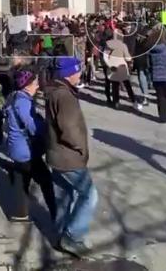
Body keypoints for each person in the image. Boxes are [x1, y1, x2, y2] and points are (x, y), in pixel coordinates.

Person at [45, 57, 97, 259]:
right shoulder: (65, 96)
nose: (79, 74)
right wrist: (80, 147)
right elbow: (69, 129)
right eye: (77, 71)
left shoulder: (54, 92)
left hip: (56, 155)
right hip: (68, 157)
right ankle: (73, 235)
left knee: (63, 195)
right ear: (68, 74)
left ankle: (59, 235)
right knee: (89, 195)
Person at [5, 70, 56, 222]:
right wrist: (47, 126)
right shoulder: (23, 102)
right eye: (35, 83)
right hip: (25, 150)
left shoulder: (14, 96)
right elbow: (33, 127)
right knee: (45, 179)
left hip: (16, 146)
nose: (38, 85)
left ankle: (19, 213)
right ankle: (55, 213)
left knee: (23, 181)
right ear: (27, 86)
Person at [102, 27, 139, 110]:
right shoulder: (123, 45)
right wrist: (130, 59)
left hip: (112, 67)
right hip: (122, 66)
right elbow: (128, 57)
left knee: (115, 85)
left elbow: (105, 56)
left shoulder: (108, 43)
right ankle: (133, 101)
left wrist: (109, 64)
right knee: (127, 84)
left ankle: (116, 102)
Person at [147, 26, 166, 123]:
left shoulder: (151, 50)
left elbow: (149, 64)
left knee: (159, 97)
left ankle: (161, 116)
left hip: (156, 76)